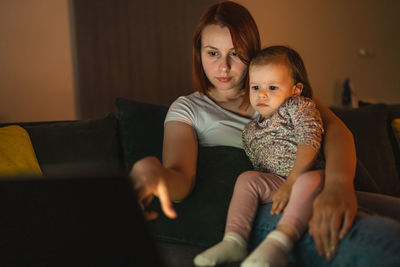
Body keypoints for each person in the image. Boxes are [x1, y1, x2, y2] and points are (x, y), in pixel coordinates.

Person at [129, 1, 400, 266]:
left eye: (235, 53)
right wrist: (155, 171)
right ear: (198, 53)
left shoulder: (278, 90)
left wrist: (338, 187)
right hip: (266, 205)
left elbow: (338, 133)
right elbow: (180, 181)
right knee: (381, 238)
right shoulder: (188, 108)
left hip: (321, 183)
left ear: (252, 52)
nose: (223, 67)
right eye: (212, 53)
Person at [194, 45, 325, 267]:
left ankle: (279, 244)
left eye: (272, 87)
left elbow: (309, 141)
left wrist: (293, 181)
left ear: (295, 89)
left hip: (308, 176)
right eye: (255, 87)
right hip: (277, 183)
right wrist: (280, 186)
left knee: (308, 180)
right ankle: (234, 239)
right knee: (247, 179)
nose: (262, 94)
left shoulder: (298, 106)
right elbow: (260, 168)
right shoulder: (250, 130)